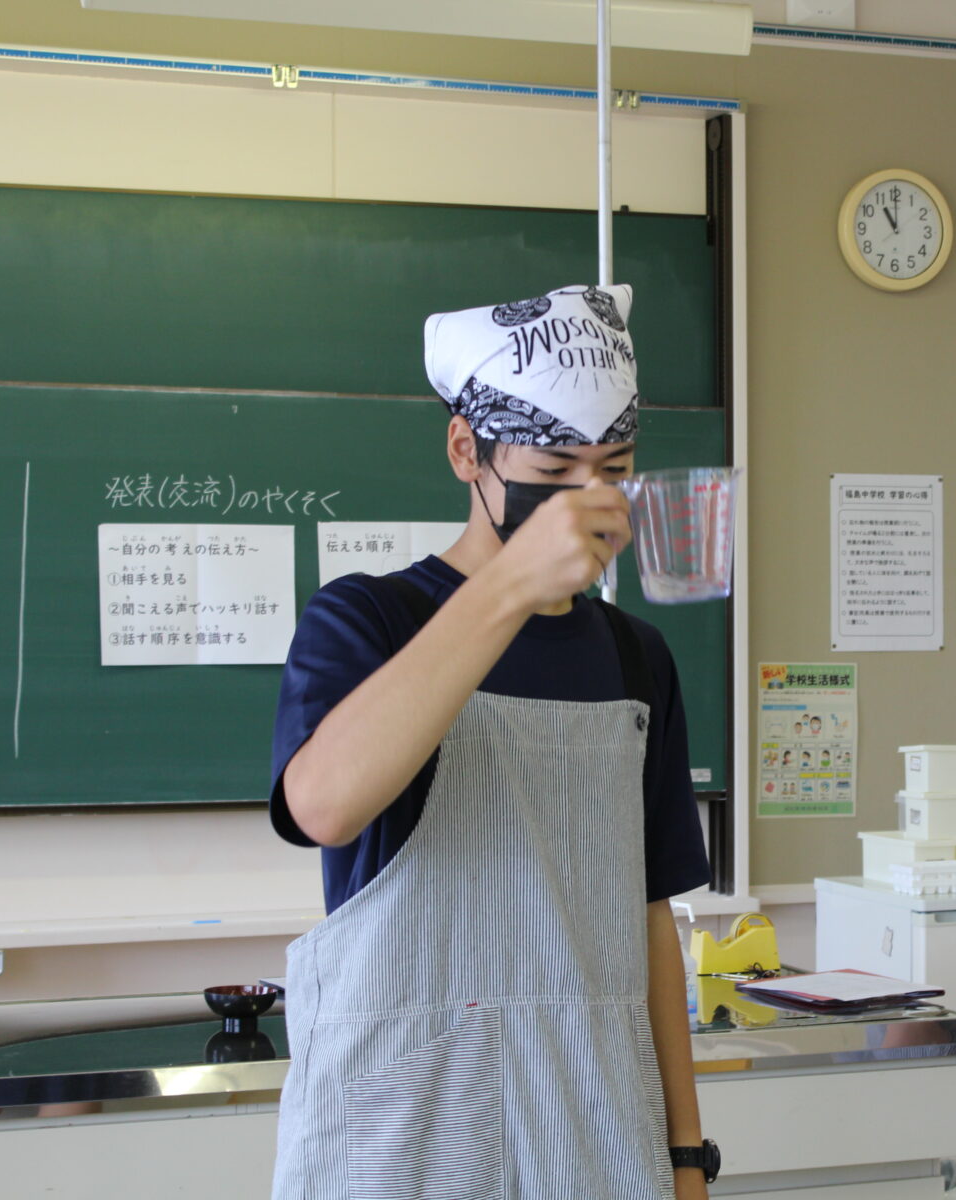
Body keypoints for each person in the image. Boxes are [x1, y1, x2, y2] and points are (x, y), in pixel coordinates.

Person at [269, 284, 717, 1199]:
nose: (589, 499)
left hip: (595, 1115)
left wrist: (687, 1154)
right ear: (466, 449)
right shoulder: (369, 619)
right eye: (554, 468)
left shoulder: (637, 656)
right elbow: (322, 805)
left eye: (614, 466)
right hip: (408, 1123)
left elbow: (649, 916)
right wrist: (511, 584)